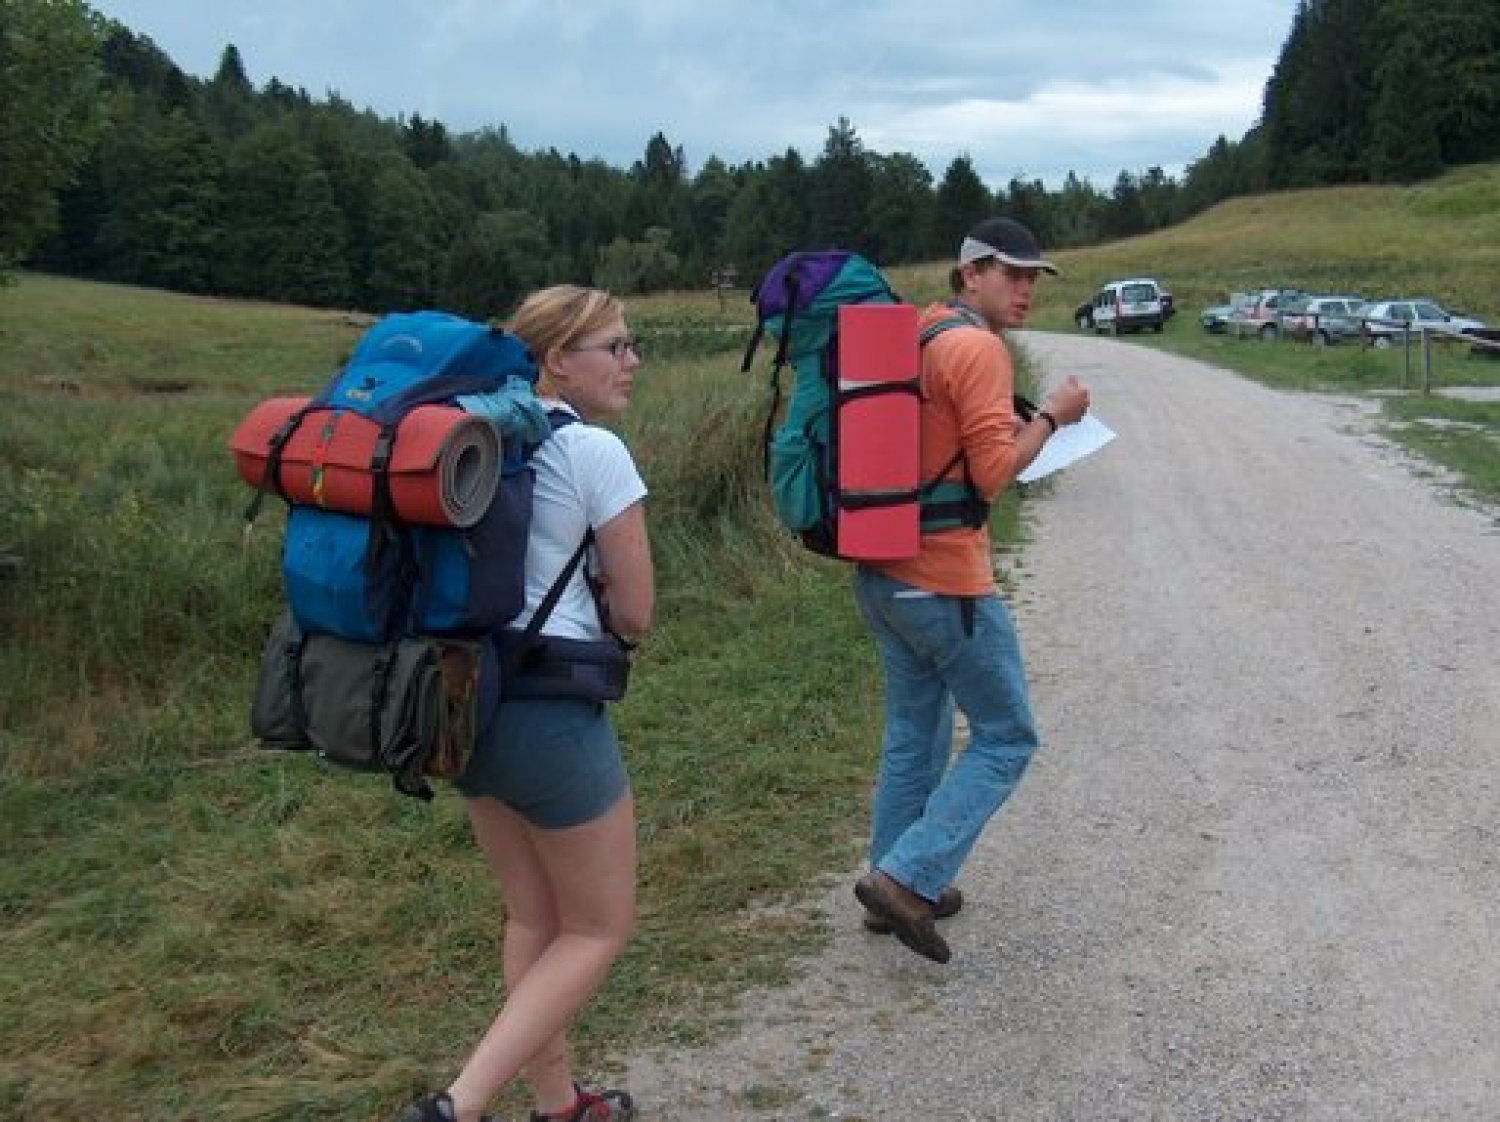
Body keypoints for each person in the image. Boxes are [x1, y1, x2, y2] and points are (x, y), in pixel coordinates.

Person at [399, 286, 653, 1122]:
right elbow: (635, 614)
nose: (631, 361)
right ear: (554, 360)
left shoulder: (468, 442)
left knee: (535, 917)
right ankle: (459, 1106)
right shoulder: (596, 453)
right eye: (613, 347)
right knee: (599, 927)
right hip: (548, 710)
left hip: (464, 702)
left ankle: (558, 1105)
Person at [851, 217, 1090, 965]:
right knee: (1007, 735)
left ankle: (891, 882)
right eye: (1009, 274)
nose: (1023, 289)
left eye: (1031, 277)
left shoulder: (921, 335)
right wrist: (1053, 416)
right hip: (946, 581)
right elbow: (992, 474)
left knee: (914, 735)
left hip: (883, 571)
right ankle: (908, 877)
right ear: (970, 274)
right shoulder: (977, 349)